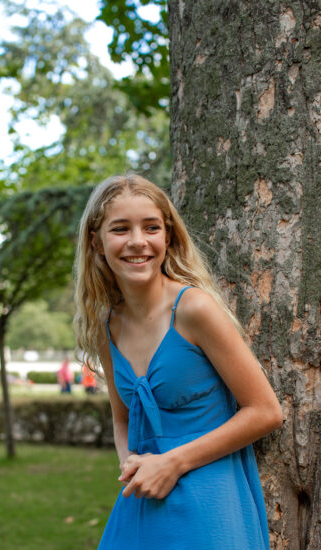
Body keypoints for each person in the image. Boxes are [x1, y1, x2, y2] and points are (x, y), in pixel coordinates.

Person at [73, 174, 283, 549]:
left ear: (167, 237)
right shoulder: (108, 326)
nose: (138, 241)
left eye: (151, 227)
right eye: (120, 229)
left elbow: (266, 411)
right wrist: (132, 465)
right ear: (97, 241)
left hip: (211, 507)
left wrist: (172, 462)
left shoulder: (194, 309)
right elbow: (121, 420)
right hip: (142, 504)